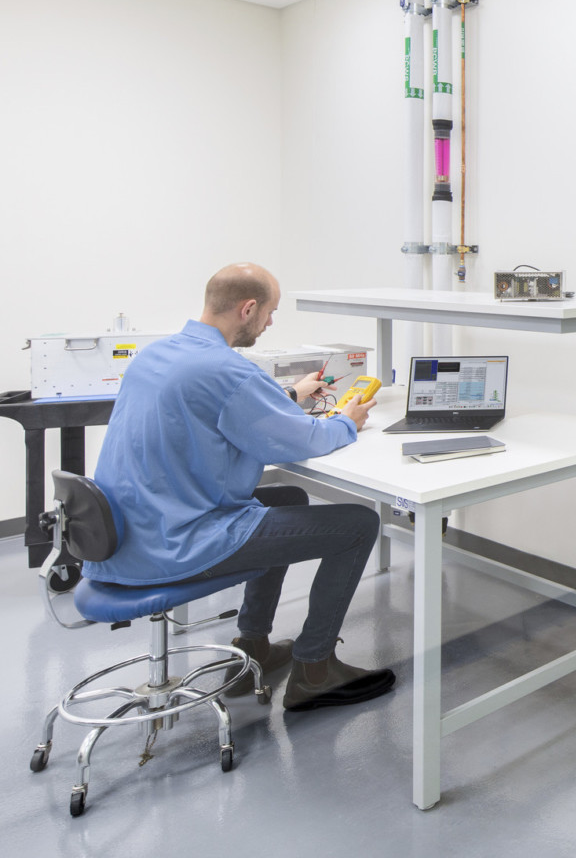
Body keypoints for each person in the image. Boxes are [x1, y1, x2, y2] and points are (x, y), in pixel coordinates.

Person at [84, 263, 398, 709]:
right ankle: (315, 669)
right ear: (248, 308)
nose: (270, 323)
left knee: (289, 497)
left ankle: (253, 645)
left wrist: (290, 396)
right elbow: (302, 439)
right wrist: (348, 421)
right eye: (270, 312)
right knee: (359, 524)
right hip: (175, 544)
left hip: (129, 532)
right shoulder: (229, 370)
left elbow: (222, 407)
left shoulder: (158, 353)